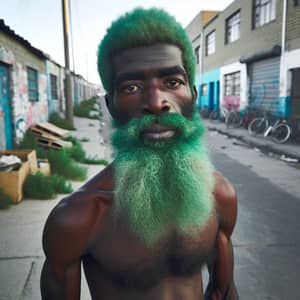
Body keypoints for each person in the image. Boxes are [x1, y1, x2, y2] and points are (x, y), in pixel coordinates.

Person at [40, 7, 238, 300]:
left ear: (192, 96)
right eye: (132, 86)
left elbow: (224, 292)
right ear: (111, 105)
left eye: (173, 82)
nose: (157, 103)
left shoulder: (220, 196)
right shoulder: (77, 218)